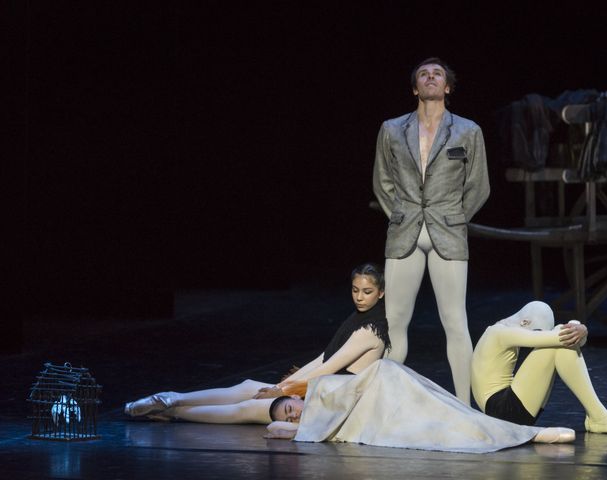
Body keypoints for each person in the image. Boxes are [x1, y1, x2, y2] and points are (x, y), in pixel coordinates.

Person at [124, 263, 391, 424]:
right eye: (355, 290)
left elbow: (329, 368)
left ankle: (174, 413)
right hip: (323, 390)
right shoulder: (358, 318)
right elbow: (322, 358)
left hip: (334, 401)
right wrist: (280, 387)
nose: (359, 297)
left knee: (250, 407)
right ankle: (171, 398)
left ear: (380, 292)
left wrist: (280, 391)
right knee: (248, 387)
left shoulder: (371, 329)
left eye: (367, 292)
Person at [373, 57, 490, 405]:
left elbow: (479, 186)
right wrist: (400, 215)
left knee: (455, 321)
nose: (430, 77)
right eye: (423, 74)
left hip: (448, 233)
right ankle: (385, 404)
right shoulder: (392, 129)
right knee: (394, 321)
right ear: (414, 87)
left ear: (448, 87)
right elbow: (382, 182)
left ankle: (465, 405)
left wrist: (455, 216)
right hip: (405, 231)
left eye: (437, 74)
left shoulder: (468, 131)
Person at [263, 359, 575, 454]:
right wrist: (293, 426)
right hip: (385, 412)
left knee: (450, 412)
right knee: (442, 431)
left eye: (292, 409)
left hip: (391, 384)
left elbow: (353, 388)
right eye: (292, 419)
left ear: (298, 397)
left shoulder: (324, 389)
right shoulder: (311, 422)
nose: (296, 416)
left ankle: (529, 433)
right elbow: (276, 428)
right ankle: (532, 434)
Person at [471, 301, 607, 435]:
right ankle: (598, 416)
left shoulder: (497, 330)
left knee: (562, 338)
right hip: (503, 412)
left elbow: (570, 339)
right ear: (524, 322)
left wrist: (577, 330)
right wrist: (579, 326)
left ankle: (598, 416)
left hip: (508, 409)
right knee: (560, 336)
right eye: (536, 331)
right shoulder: (501, 333)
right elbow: (561, 338)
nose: (537, 336)